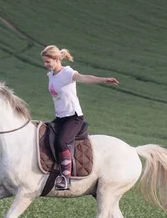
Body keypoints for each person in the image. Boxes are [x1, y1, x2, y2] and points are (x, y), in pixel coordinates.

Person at [41, 45, 119, 190]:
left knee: (62, 142)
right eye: (44, 62)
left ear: (57, 59)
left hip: (73, 118)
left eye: (48, 62)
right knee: (44, 136)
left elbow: (85, 78)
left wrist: (103, 80)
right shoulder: (51, 75)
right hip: (60, 118)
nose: (46, 65)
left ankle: (65, 177)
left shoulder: (67, 73)